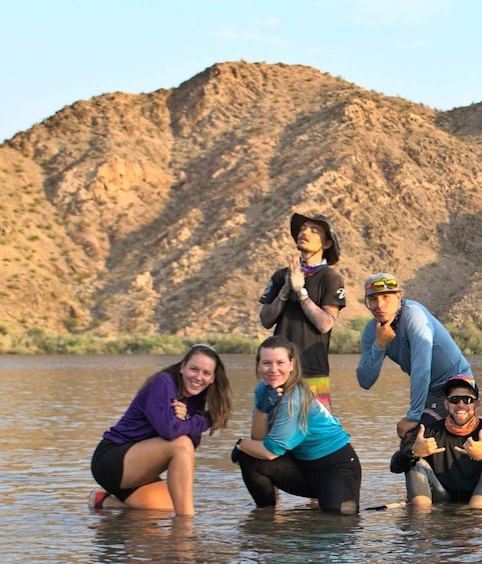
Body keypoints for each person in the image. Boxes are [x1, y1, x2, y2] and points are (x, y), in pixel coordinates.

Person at [89, 344, 232, 516]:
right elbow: (171, 433)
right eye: (194, 369)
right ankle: (186, 528)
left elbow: (192, 444)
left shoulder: (196, 398)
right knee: (181, 449)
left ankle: (105, 502)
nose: (198, 377)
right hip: (112, 460)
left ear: (213, 378)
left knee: (168, 507)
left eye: (206, 373)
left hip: (141, 467)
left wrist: (188, 419)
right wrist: (203, 420)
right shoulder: (164, 383)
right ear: (182, 367)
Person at [232, 335, 361, 515]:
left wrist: (240, 444)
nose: (273, 369)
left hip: (336, 468)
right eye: (266, 363)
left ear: (291, 365)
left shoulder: (295, 398)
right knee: (250, 458)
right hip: (302, 466)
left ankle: (330, 499)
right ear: (258, 365)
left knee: (337, 522)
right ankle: (265, 516)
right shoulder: (262, 390)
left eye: (280, 363)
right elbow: (259, 440)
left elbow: (271, 450)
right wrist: (262, 409)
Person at [356, 272, 474, 439]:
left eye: (386, 297)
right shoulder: (372, 331)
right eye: (373, 299)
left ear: (399, 296)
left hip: (459, 383)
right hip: (430, 391)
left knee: (417, 436)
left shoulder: (414, 316)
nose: (379, 305)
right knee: (411, 445)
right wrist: (380, 345)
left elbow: (422, 369)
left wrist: (413, 417)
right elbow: (365, 381)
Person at [389, 374, 482, 509]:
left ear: (477, 405)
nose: (461, 405)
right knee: (414, 462)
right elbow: (394, 465)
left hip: (481, 500)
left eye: (467, 400)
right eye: (454, 399)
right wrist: (414, 452)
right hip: (441, 497)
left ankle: (479, 515)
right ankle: (422, 518)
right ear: (446, 404)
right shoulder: (426, 433)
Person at [258, 213, 346, 410]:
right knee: (273, 430)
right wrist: (285, 290)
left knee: (320, 434)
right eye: (303, 228)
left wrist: (300, 292)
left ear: (327, 244)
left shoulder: (331, 278)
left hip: (313, 371)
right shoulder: (281, 276)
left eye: (314, 231)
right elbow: (265, 320)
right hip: (279, 370)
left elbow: (325, 324)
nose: (304, 232)